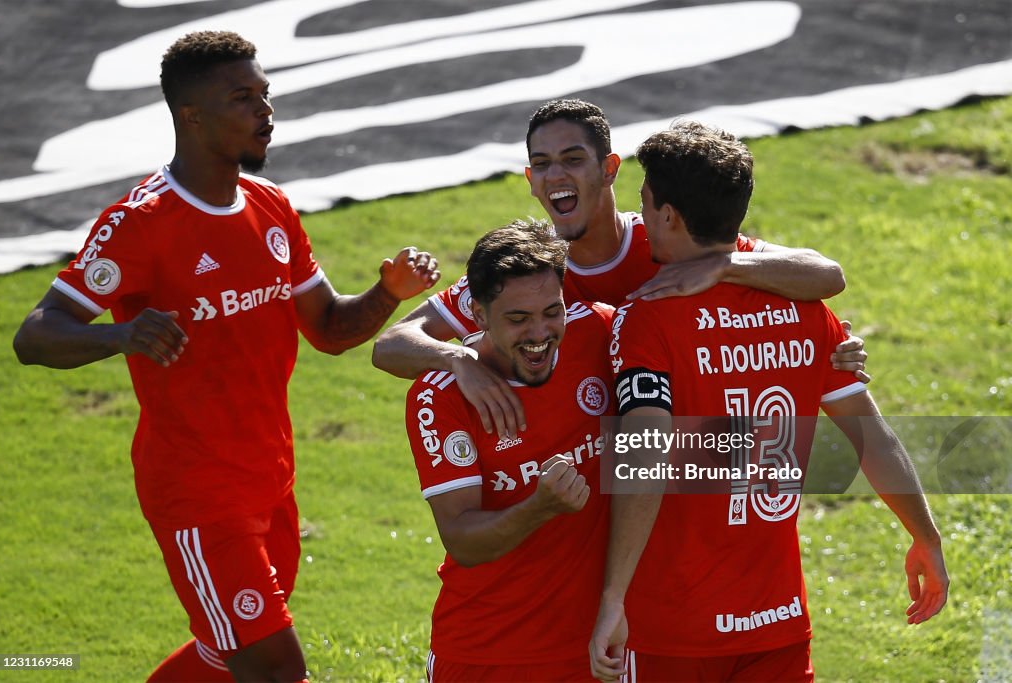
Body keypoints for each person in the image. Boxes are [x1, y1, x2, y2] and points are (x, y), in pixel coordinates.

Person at [12, 31, 440, 683]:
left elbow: (327, 326)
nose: (265, 111)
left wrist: (387, 293)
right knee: (275, 667)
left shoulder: (271, 208)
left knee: (223, 657)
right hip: (197, 490)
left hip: (271, 478)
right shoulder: (141, 222)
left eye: (265, 94)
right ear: (192, 115)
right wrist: (119, 335)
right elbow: (35, 333)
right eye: (243, 98)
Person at [588, 122, 949, 682]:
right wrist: (926, 537)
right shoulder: (805, 310)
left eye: (645, 201)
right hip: (776, 621)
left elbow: (645, 457)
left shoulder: (648, 320)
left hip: (671, 628)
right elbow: (871, 436)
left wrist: (612, 597)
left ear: (668, 215)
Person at [374, 99, 867, 440]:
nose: (556, 175)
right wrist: (459, 361)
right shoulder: (531, 273)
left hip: (688, 480)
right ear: (530, 180)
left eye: (572, 159)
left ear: (609, 169)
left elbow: (825, 274)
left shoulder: (669, 240)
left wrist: (725, 265)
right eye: (542, 164)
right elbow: (391, 344)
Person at [405, 220, 615, 681]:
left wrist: (790, 456)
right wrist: (539, 506)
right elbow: (462, 540)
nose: (540, 333)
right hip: (487, 653)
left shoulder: (598, 334)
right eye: (518, 319)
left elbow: (659, 446)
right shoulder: (441, 397)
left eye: (551, 311)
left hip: (595, 650)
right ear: (478, 315)